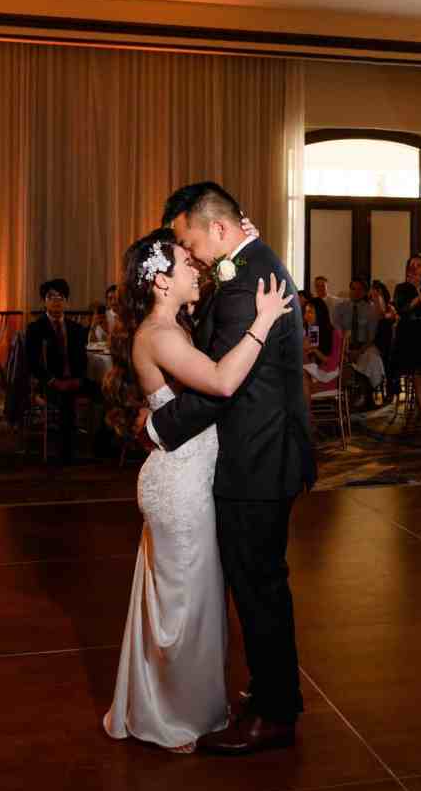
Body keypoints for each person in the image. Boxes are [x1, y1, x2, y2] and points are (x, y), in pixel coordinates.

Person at [138, 181, 316, 755]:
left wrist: (160, 425)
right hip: (264, 453)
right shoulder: (252, 265)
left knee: (258, 586)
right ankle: (273, 692)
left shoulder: (248, 282)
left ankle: (276, 713)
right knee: (260, 583)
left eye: (191, 241)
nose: (192, 255)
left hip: (257, 460)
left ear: (217, 229)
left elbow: (221, 384)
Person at [103, 226, 294, 753]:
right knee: (186, 603)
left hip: (187, 474)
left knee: (193, 598)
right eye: (187, 264)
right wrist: (262, 321)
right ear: (162, 282)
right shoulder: (161, 335)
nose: (199, 270)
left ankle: (183, 702)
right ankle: (178, 714)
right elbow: (222, 382)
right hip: (180, 484)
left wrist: (243, 242)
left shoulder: (171, 325)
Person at [25, 279, 94, 463]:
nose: (56, 301)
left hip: (74, 380)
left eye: (60, 297)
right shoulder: (35, 329)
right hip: (49, 382)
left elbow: (82, 359)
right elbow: (32, 363)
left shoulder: (77, 329)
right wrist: (53, 381)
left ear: (67, 301)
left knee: (106, 390)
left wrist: (78, 379)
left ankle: (101, 444)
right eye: (51, 297)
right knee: (65, 400)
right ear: (44, 302)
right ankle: (66, 454)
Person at [391, 254, 421, 431]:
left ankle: (420, 415)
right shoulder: (402, 288)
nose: (414, 267)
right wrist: (419, 297)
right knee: (418, 378)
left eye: (418, 265)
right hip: (407, 339)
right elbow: (402, 310)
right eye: (411, 265)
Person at [333, 278, 381, 408]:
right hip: (344, 345)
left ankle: (367, 396)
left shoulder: (370, 310)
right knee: (340, 360)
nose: (355, 292)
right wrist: (345, 349)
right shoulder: (340, 308)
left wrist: (359, 351)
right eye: (353, 288)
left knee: (372, 358)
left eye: (359, 289)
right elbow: (336, 331)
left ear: (365, 292)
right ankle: (344, 397)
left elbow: (371, 337)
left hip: (363, 346)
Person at [302, 298, 342, 404]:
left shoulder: (334, 334)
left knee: (298, 385)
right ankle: (306, 417)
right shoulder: (306, 333)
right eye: (305, 312)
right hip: (311, 377)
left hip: (329, 378)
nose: (306, 316)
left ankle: (306, 418)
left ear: (320, 313)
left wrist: (315, 350)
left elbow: (333, 364)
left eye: (310, 312)